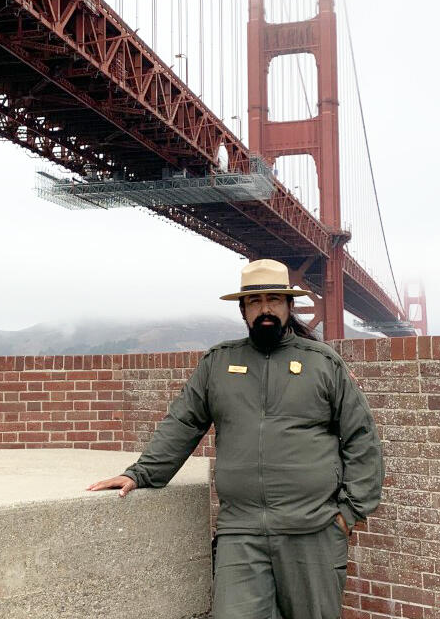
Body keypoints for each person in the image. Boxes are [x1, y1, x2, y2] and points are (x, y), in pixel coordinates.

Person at [87, 259, 384, 619]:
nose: (265, 310)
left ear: (290, 305)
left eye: (274, 299)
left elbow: (361, 437)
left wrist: (350, 512)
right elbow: (183, 422)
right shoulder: (218, 363)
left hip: (313, 530)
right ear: (243, 310)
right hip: (240, 532)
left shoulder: (323, 363)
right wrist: (140, 473)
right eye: (255, 302)